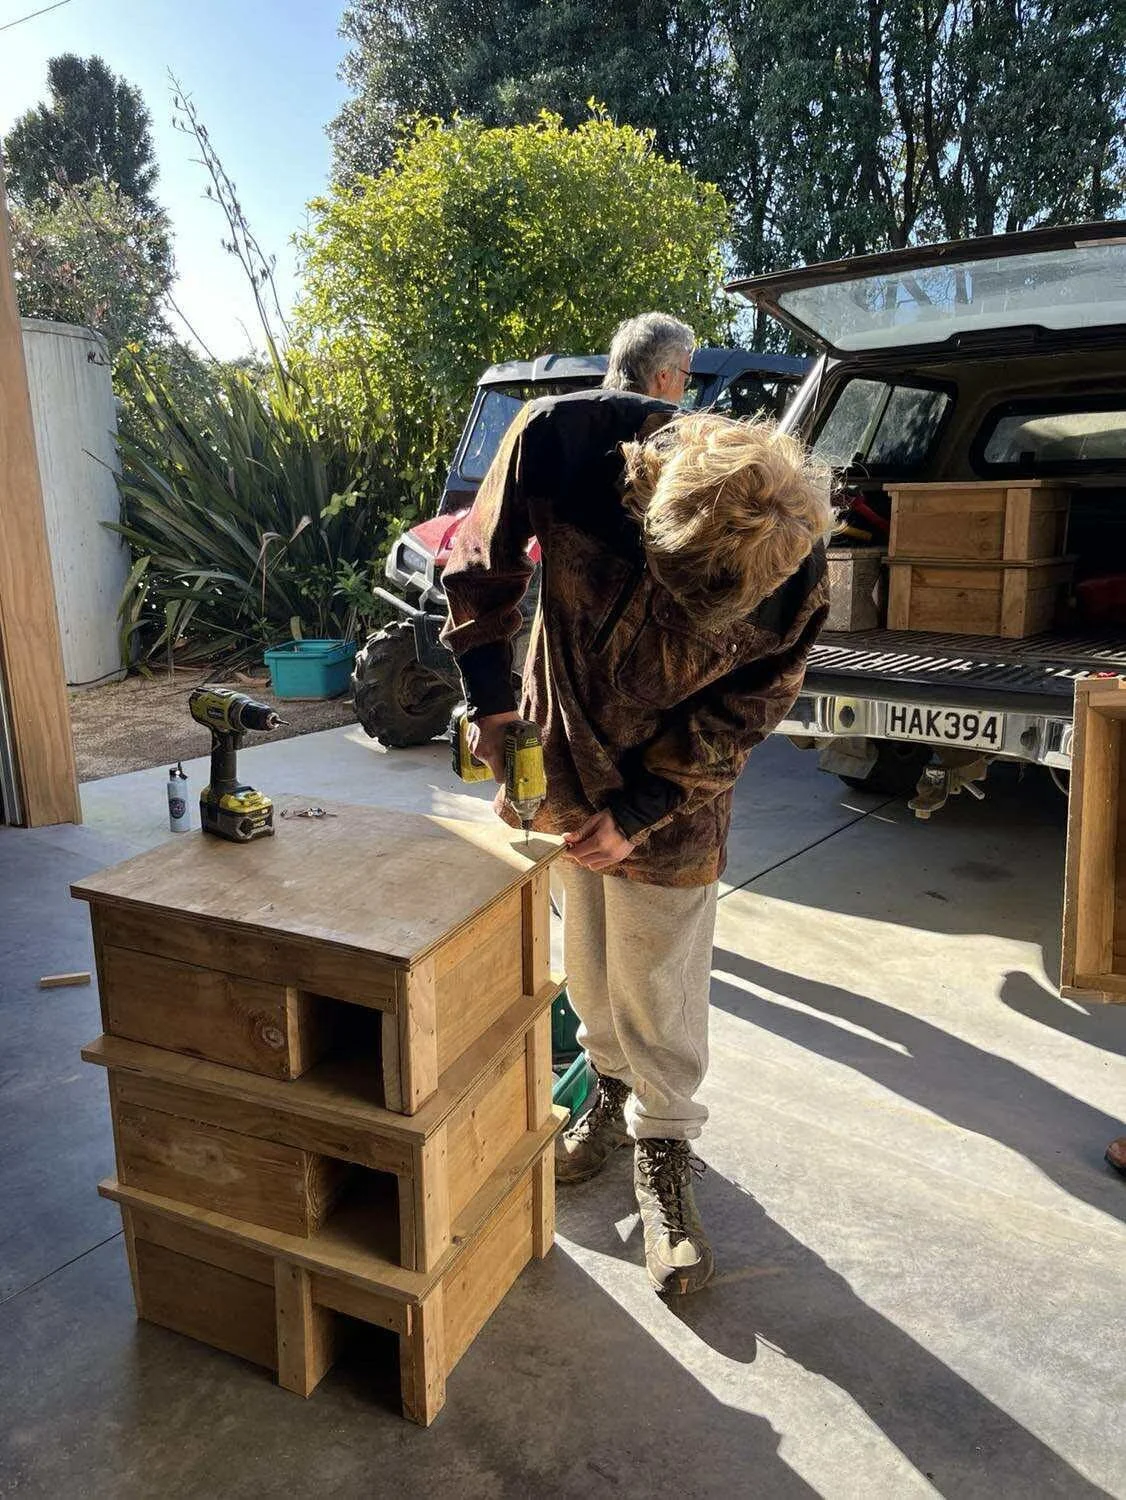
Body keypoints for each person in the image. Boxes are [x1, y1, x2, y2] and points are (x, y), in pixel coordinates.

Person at [441, 312, 832, 1295]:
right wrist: (492, 707)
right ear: (649, 504)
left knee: (659, 977)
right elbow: (473, 571)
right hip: (561, 745)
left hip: (680, 779)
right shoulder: (561, 447)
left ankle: (663, 1150)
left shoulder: (792, 567)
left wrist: (652, 802)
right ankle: (604, 1101)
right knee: (590, 966)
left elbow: (749, 706)